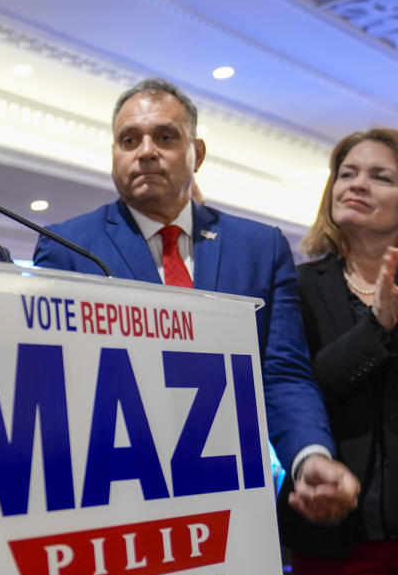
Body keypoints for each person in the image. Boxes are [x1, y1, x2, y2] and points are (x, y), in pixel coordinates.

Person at [33, 77, 359, 525]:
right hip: (114, 495)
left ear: (196, 153)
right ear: (114, 154)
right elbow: (54, 381)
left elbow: (281, 371)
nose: (145, 151)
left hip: (233, 491)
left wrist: (308, 454)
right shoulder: (67, 247)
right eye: (129, 140)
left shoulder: (259, 247)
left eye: (164, 137)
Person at [278, 129, 398, 575]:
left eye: (380, 176)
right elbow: (298, 386)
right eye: (346, 174)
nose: (357, 184)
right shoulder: (297, 284)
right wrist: (379, 327)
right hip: (337, 541)